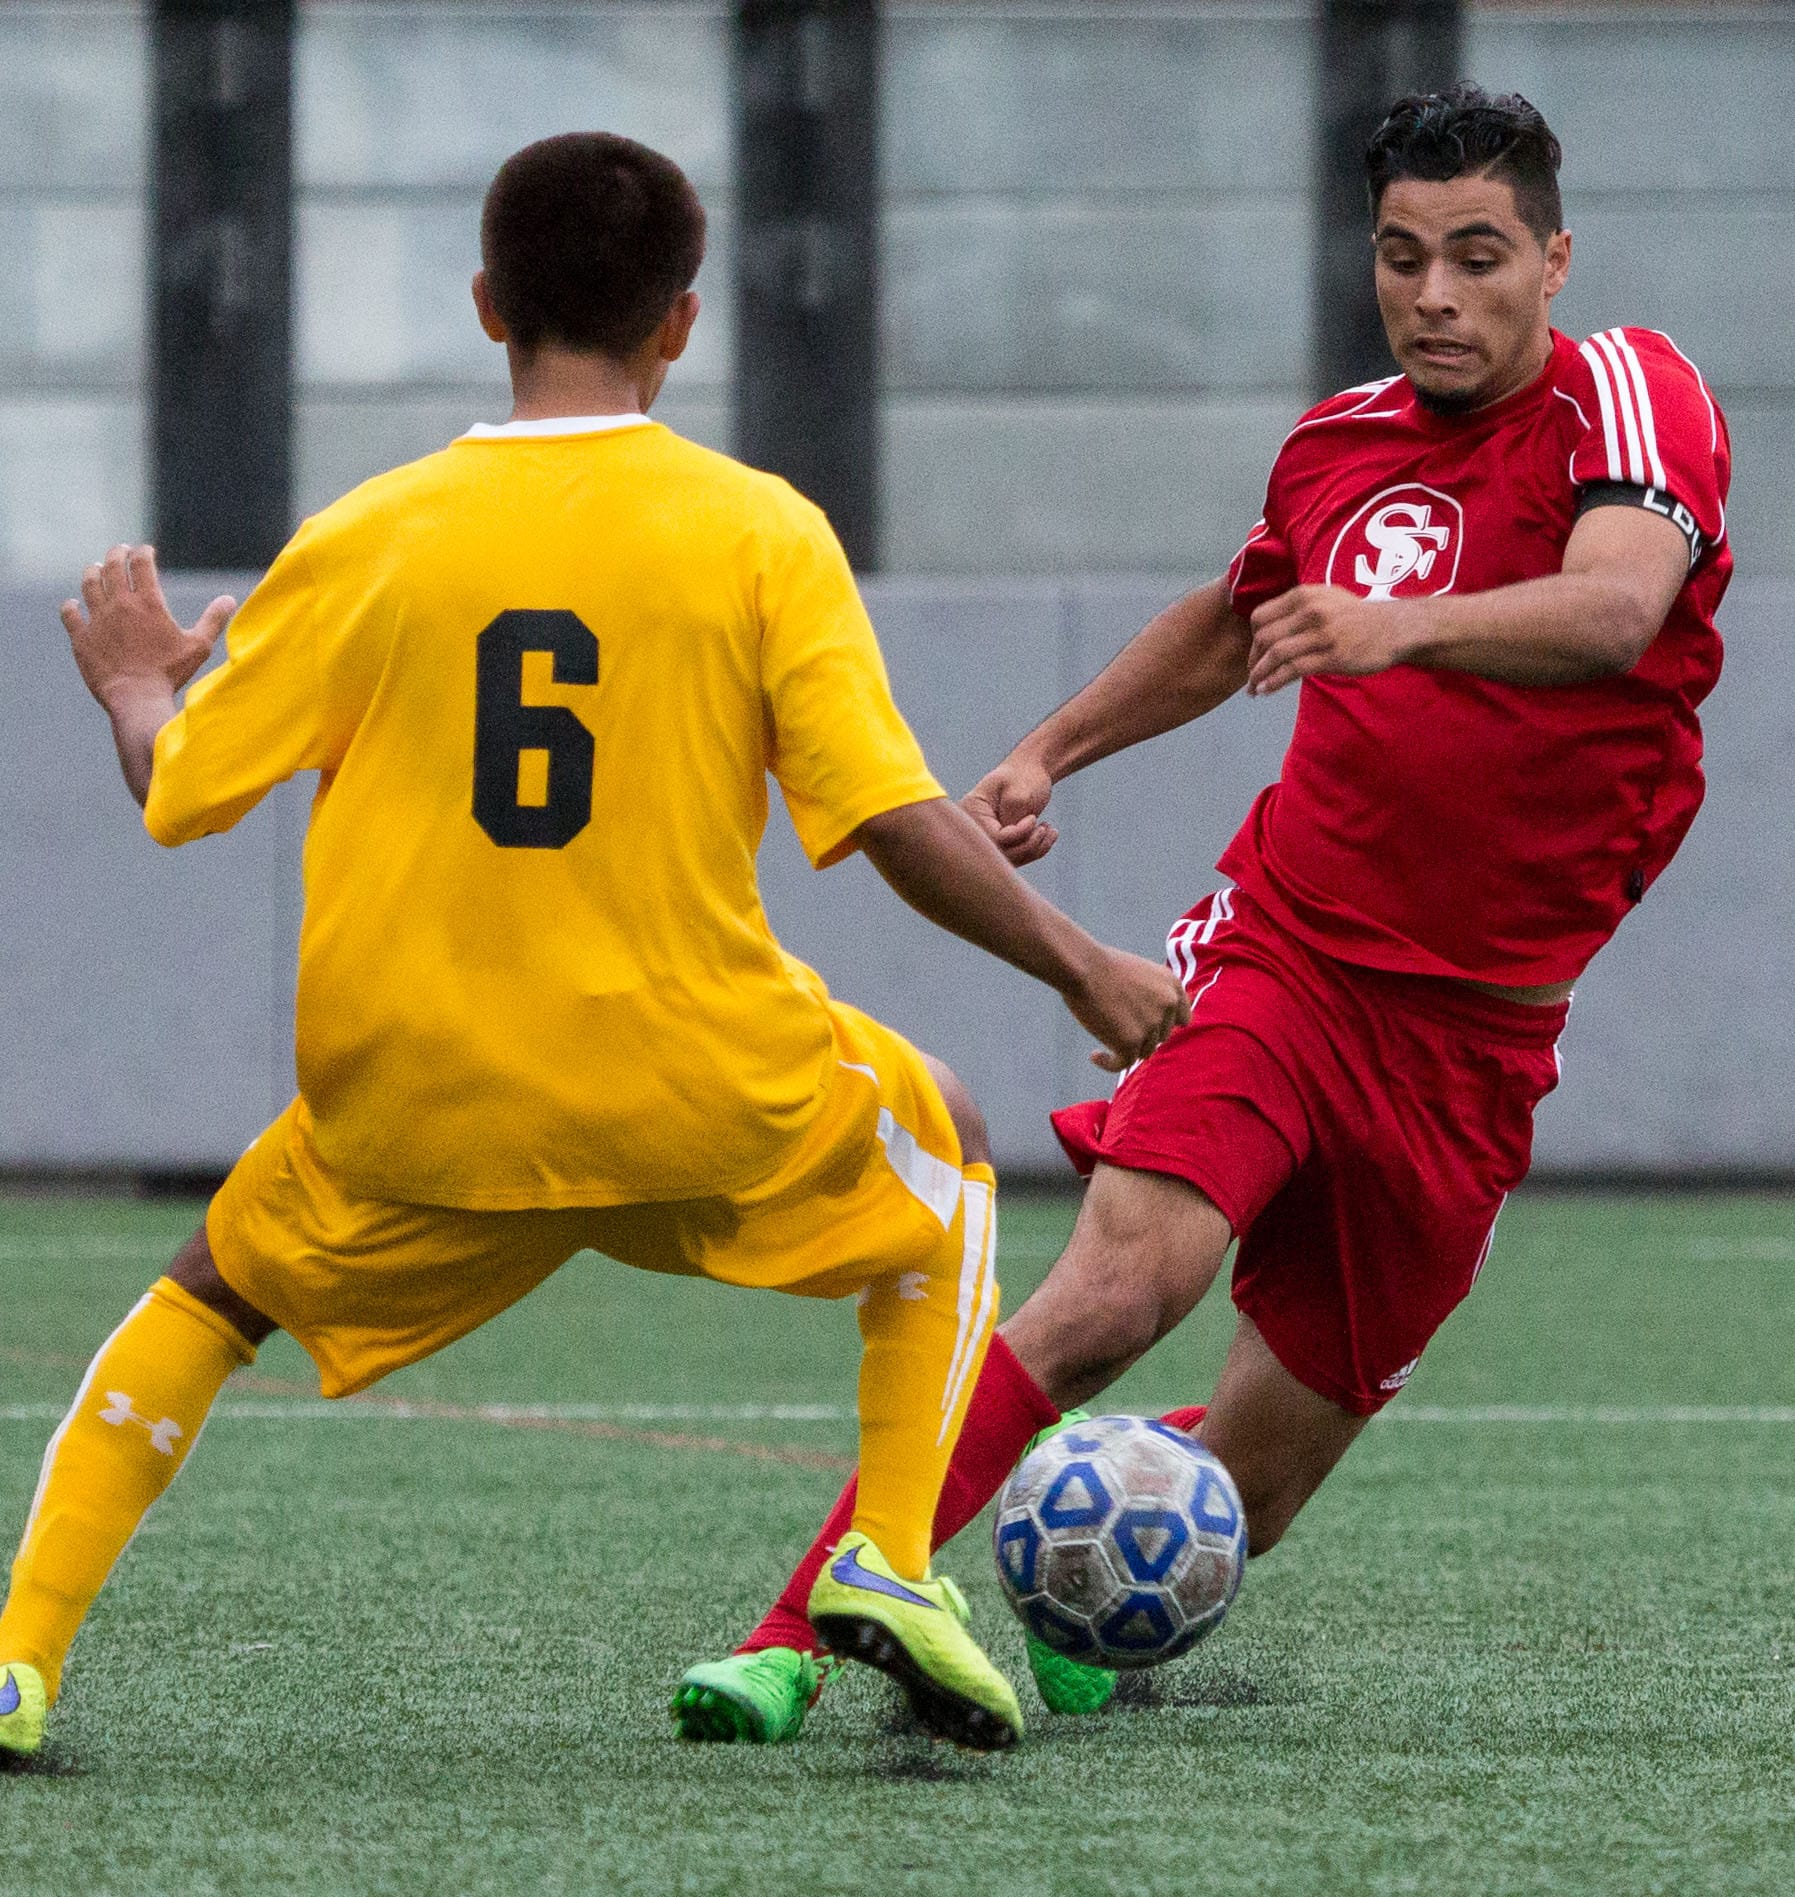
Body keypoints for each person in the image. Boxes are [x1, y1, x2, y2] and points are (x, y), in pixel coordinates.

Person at [0, 132, 1190, 1766]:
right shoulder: (759, 529)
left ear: (486, 300)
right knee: (953, 1154)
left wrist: (141, 686)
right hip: (699, 1089)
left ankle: (18, 1659)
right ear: (682, 324)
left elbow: (181, 793)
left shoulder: (371, 535)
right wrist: (1083, 967)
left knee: (206, 1295)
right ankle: (890, 1559)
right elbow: (896, 819)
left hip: (419, 1107)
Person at [673, 84, 1733, 1740]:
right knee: (1110, 1293)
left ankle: (1071, 1570)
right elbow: (1235, 617)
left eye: (1477, 257)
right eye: (1402, 258)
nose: (1436, 295)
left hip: (1478, 1041)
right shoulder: (1337, 444)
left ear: (1553, 258)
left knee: (1251, 1488)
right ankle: (795, 1629)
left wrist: (1403, 628)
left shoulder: (1631, 393)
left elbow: (1616, 610)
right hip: (1288, 954)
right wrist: (1047, 750)